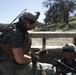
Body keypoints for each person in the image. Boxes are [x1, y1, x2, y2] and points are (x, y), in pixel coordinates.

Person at [0, 10, 55, 75]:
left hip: (14, 63)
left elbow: (22, 52)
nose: (32, 25)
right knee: (51, 70)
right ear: (23, 19)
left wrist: (34, 54)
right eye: (31, 22)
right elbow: (20, 59)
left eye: (33, 23)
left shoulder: (21, 32)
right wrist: (33, 58)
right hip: (11, 67)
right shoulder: (15, 34)